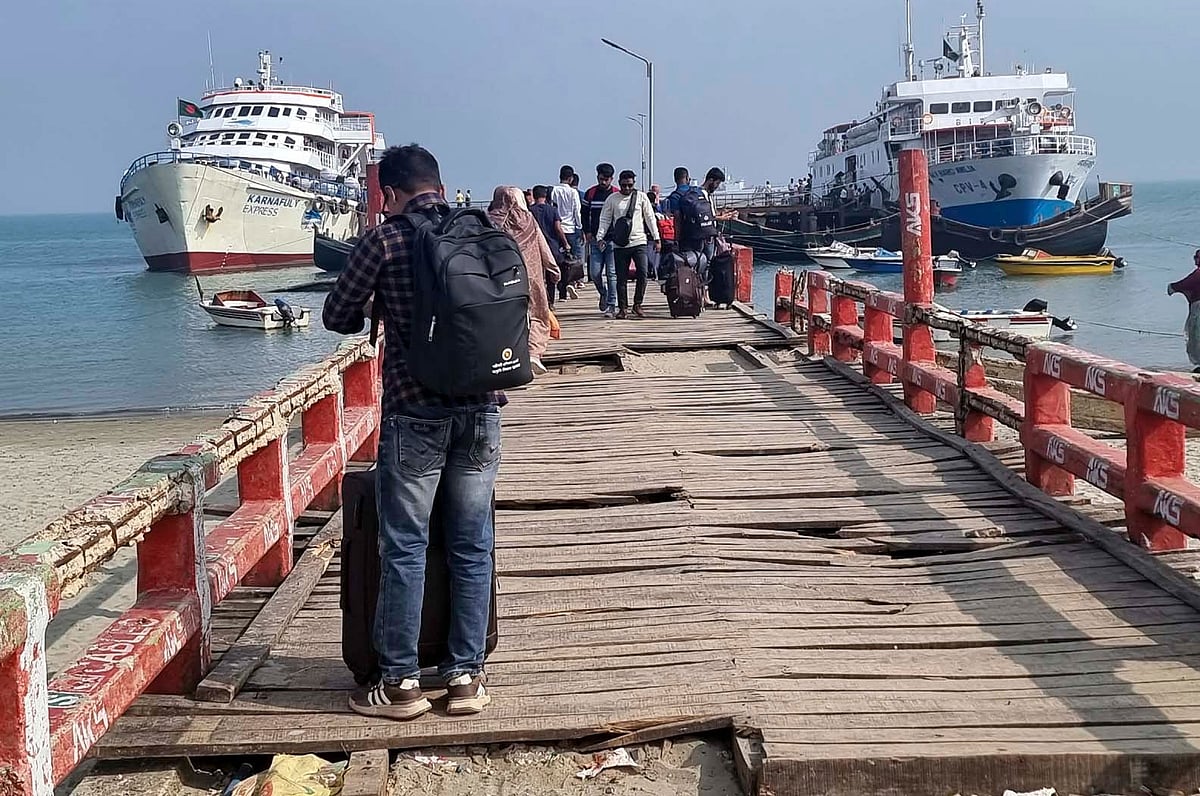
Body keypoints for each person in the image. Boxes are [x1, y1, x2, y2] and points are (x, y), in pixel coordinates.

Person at [323, 144, 497, 722]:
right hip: (480, 411)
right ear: (440, 185)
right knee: (472, 545)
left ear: (388, 194)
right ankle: (465, 676)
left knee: (405, 547)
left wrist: (384, 305)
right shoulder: (481, 230)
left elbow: (337, 315)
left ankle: (400, 683)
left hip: (414, 413)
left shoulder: (385, 239)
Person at [488, 186, 558, 372]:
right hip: (531, 273)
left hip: (500, 277)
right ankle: (534, 353)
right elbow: (542, 244)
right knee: (537, 314)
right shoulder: (528, 220)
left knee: (506, 318)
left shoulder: (489, 221)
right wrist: (553, 268)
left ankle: (507, 356)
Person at [595, 169, 660, 320]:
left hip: (639, 241)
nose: (627, 189)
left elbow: (650, 218)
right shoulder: (612, 199)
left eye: (630, 185)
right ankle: (623, 307)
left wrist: (657, 238)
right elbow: (605, 219)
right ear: (619, 184)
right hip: (620, 244)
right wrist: (600, 237)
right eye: (624, 185)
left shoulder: (641, 197)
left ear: (633, 184)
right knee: (621, 277)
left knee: (643, 274)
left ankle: (638, 304)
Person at [583, 163, 619, 317]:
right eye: (600, 179)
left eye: (606, 179)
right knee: (595, 272)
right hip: (596, 239)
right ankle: (603, 292)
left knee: (611, 273)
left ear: (611, 179)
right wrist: (587, 232)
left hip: (612, 239)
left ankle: (611, 304)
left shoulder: (616, 194)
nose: (603, 182)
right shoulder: (590, 193)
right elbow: (584, 213)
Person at [530, 185, 569, 305]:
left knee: (538, 277)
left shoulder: (529, 211)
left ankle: (540, 302)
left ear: (534, 196)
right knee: (551, 275)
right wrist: (565, 243)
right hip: (552, 246)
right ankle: (550, 302)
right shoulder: (552, 210)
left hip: (535, 247)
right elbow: (558, 228)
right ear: (545, 196)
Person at [1168, 250, 1200, 372]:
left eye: (1196, 257)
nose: (1195, 260)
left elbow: (1183, 284)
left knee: (1196, 335)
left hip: (1198, 307)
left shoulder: (1198, 274)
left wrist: (1172, 287)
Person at [550, 166, 583, 273]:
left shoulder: (554, 190)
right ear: (571, 178)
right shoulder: (573, 192)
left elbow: (553, 207)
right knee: (573, 257)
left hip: (557, 227)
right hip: (571, 228)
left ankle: (561, 278)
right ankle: (573, 279)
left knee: (560, 257)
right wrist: (580, 226)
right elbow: (577, 210)